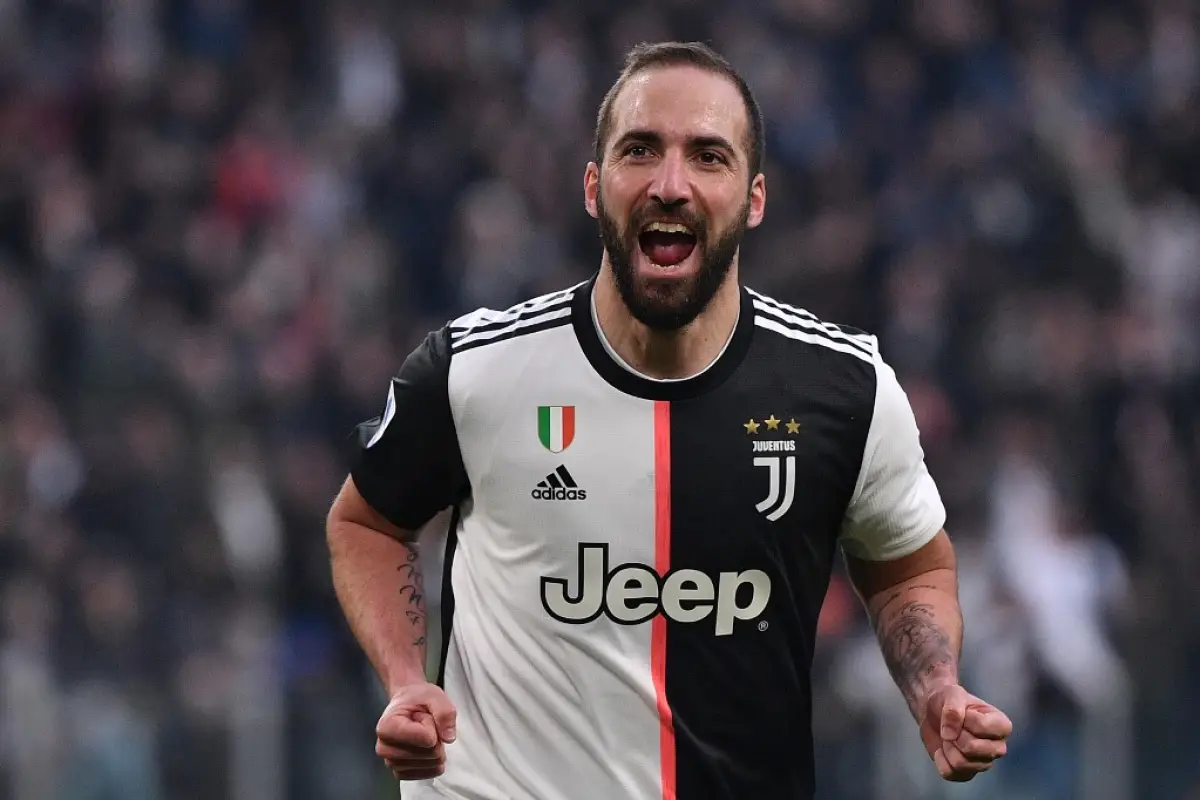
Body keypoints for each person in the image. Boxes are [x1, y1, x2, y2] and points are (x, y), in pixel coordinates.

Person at [326, 40, 1013, 800]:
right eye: (640, 150)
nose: (671, 184)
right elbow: (366, 523)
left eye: (709, 156)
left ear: (754, 198)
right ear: (594, 186)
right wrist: (402, 680)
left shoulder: (845, 391)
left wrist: (936, 689)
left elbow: (911, 565)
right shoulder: (474, 371)